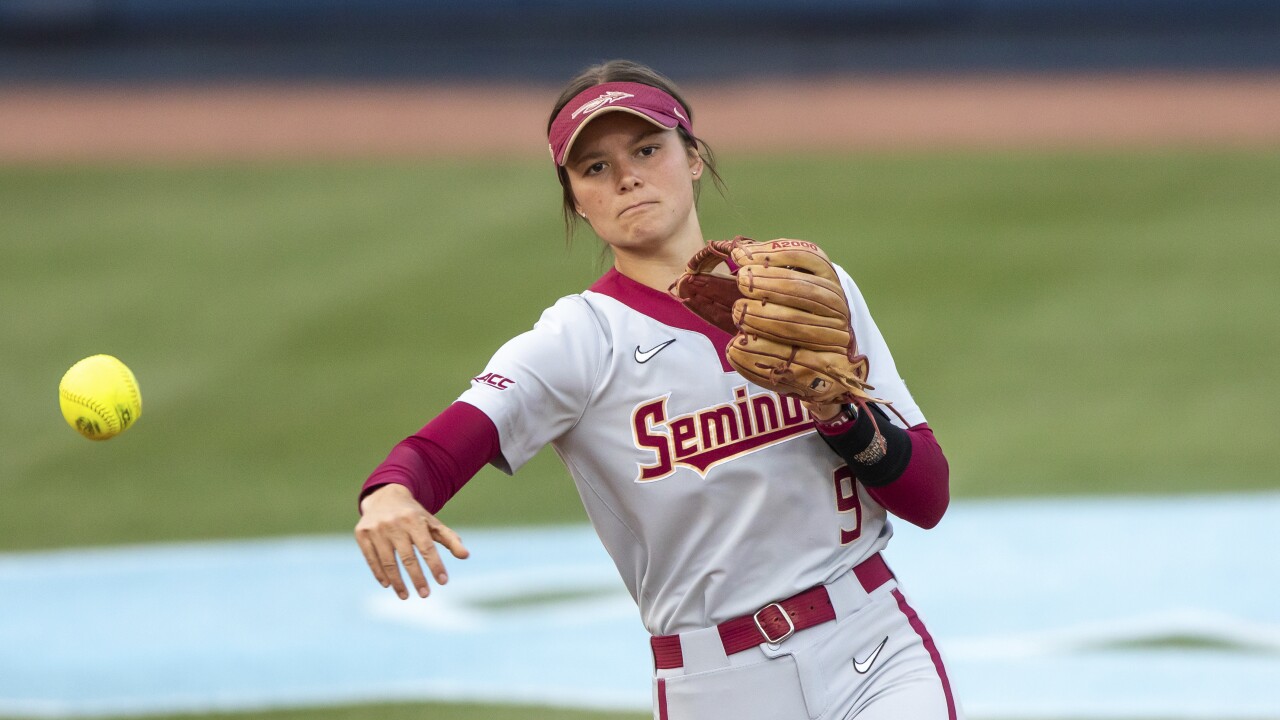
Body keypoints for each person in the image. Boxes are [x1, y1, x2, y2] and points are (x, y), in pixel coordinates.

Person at [354, 59, 962, 720]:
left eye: (648, 149)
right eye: (595, 168)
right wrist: (389, 495)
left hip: (872, 649)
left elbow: (926, 495)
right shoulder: (578, 341)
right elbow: (438, 451)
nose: (627, 176)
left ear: (694, 157)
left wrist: (841, 416)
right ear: (577, 201)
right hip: (716, 687)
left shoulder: (814, 292)